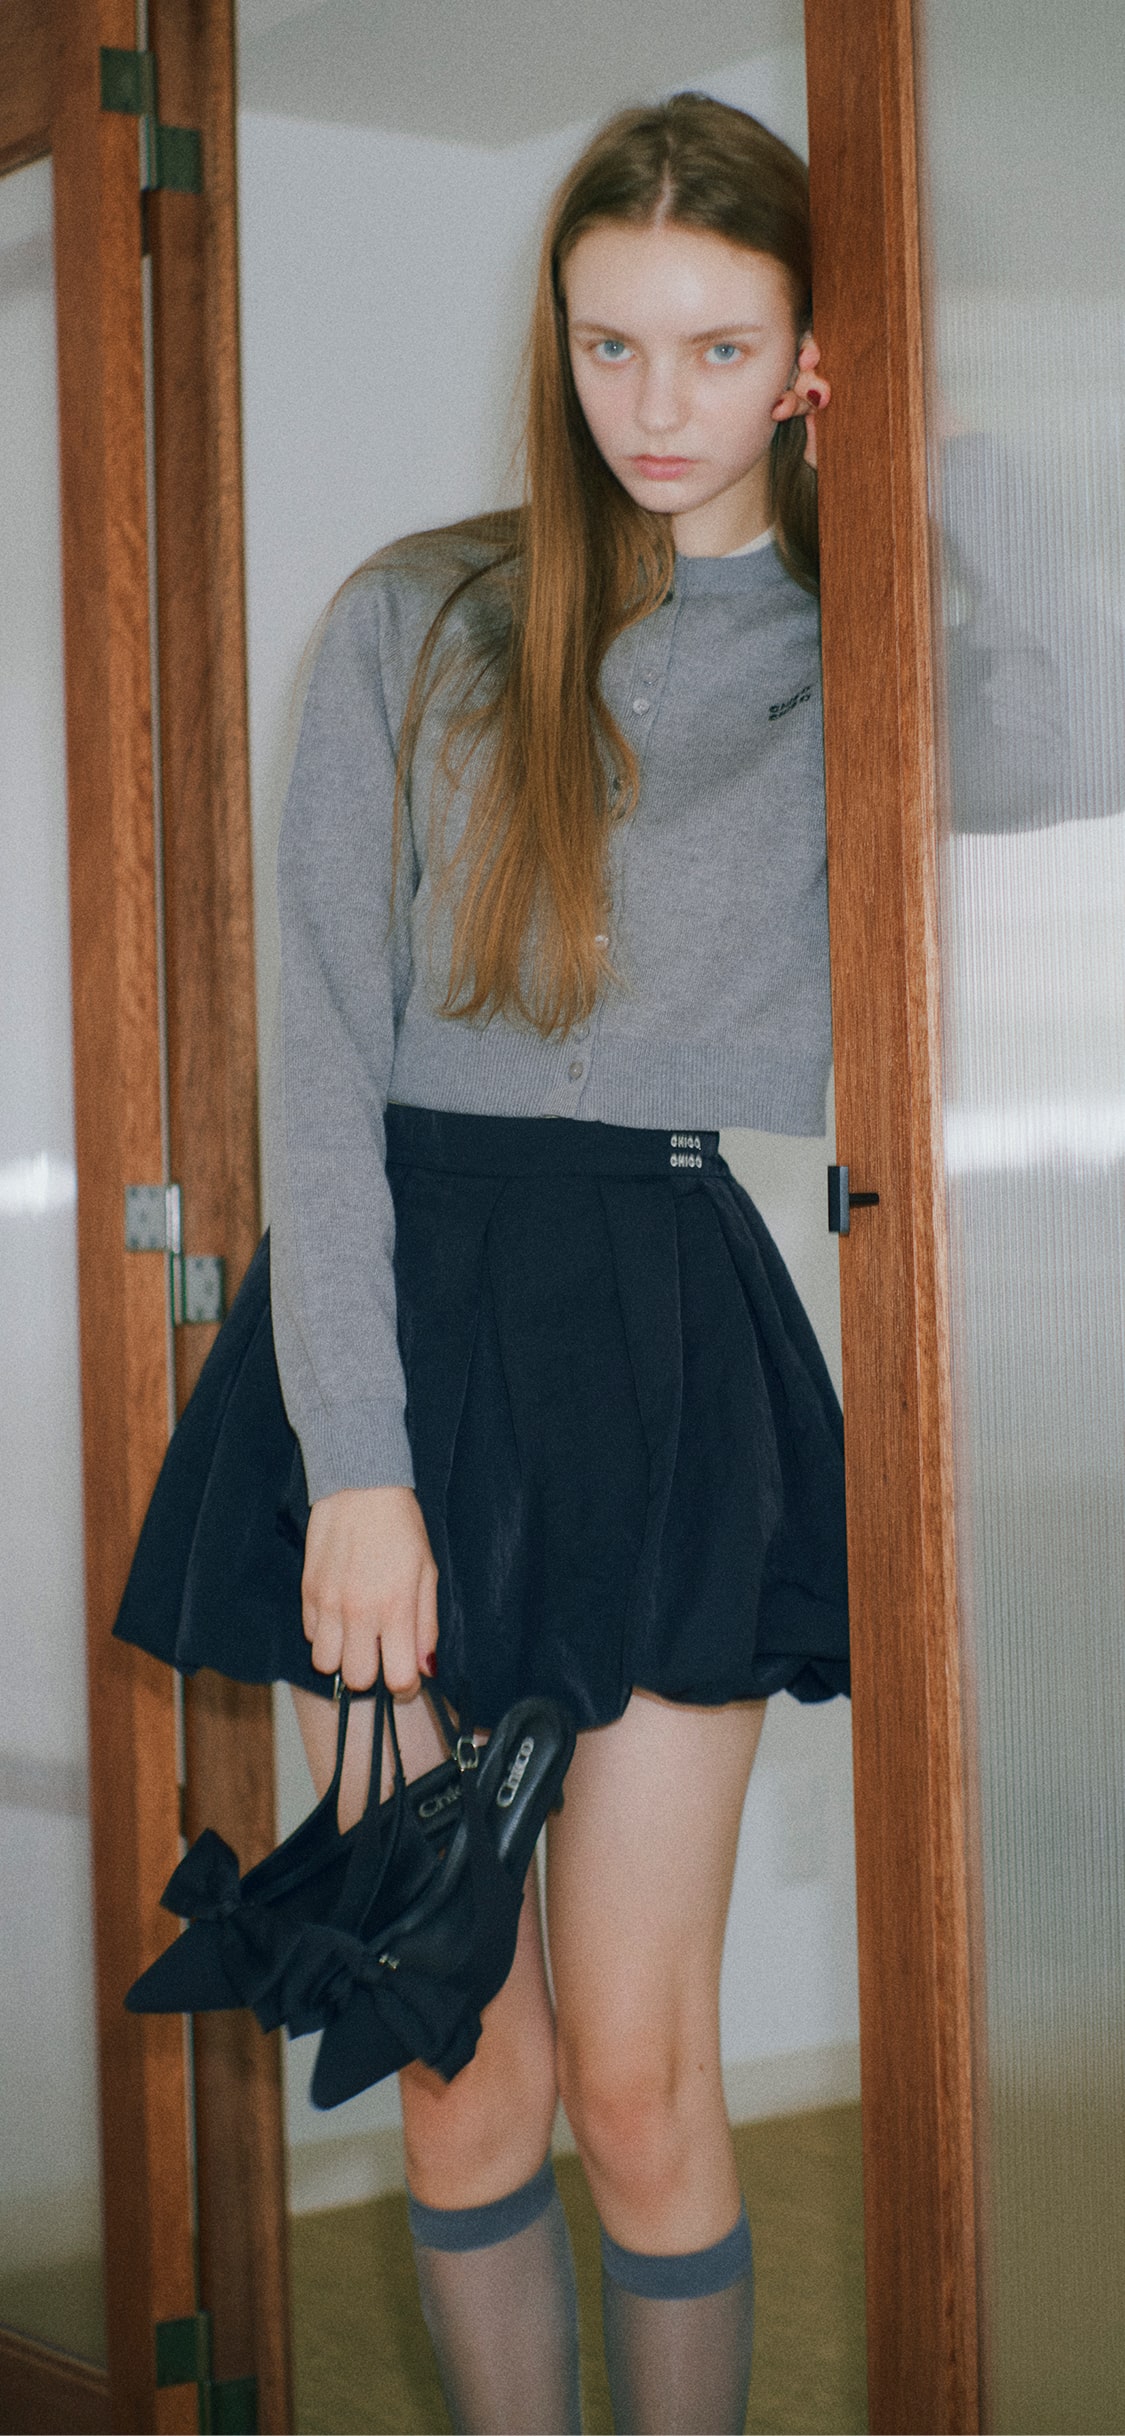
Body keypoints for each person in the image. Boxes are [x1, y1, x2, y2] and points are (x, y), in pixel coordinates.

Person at [119, 91, 848, 2436]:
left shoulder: (849, 659)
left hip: (666, 1338)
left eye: (718, 349)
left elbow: (1074, 716)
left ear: (807, 358)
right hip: (395, 1332)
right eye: (606, 344)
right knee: (457, 2055)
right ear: (552, 342)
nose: (653, 405)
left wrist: (907, 477)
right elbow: (322, 1069)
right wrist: (356, 1463)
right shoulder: (417, 624)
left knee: (636, 2079)